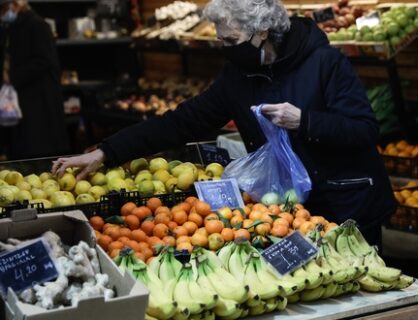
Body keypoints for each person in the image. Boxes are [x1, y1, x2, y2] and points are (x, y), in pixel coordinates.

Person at [52, 0, 395, 245]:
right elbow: (182, 121)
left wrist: (303, 121)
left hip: (348, 204)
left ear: (262, 31)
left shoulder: (325, 62)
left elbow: (363, 129)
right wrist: (107, 152)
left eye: (229, 40)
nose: (223, 48)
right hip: (290, 211)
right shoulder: (239, 75)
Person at [0, 0, 69, 159]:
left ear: (15, 5)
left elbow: (45, 61)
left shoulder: (37, 25)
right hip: (22, 99)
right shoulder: (11, 28)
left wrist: (12, 76)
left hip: (39, 101)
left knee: (39, 149)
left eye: (3, 9)